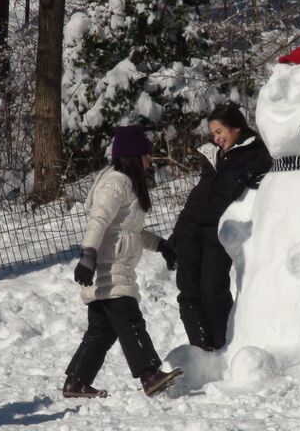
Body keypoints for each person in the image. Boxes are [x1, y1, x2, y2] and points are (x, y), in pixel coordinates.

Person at [63, 124, 181, 398]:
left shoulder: (125, 184)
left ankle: (76, 382)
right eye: (145, 156)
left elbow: (130, 231)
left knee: (101, 332)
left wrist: (161, 245)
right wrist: (88, 255)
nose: (149, 162)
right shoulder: (117, 183)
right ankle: (150, 375)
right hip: (110, 266)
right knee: (130, 323)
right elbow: (99, 219)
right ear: (132, 156)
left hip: (115, 265)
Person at [172, 103, 272, 351]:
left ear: (236, 127)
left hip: (216, 232)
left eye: (219, 131)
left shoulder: (256, 153)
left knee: (212, 290)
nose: (216, 138)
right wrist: (178, 232)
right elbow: (199, 196)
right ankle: (200, 348)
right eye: (213, 133)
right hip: (189, 231)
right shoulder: (214, 154)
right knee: (188, 291)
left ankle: (220, 346)